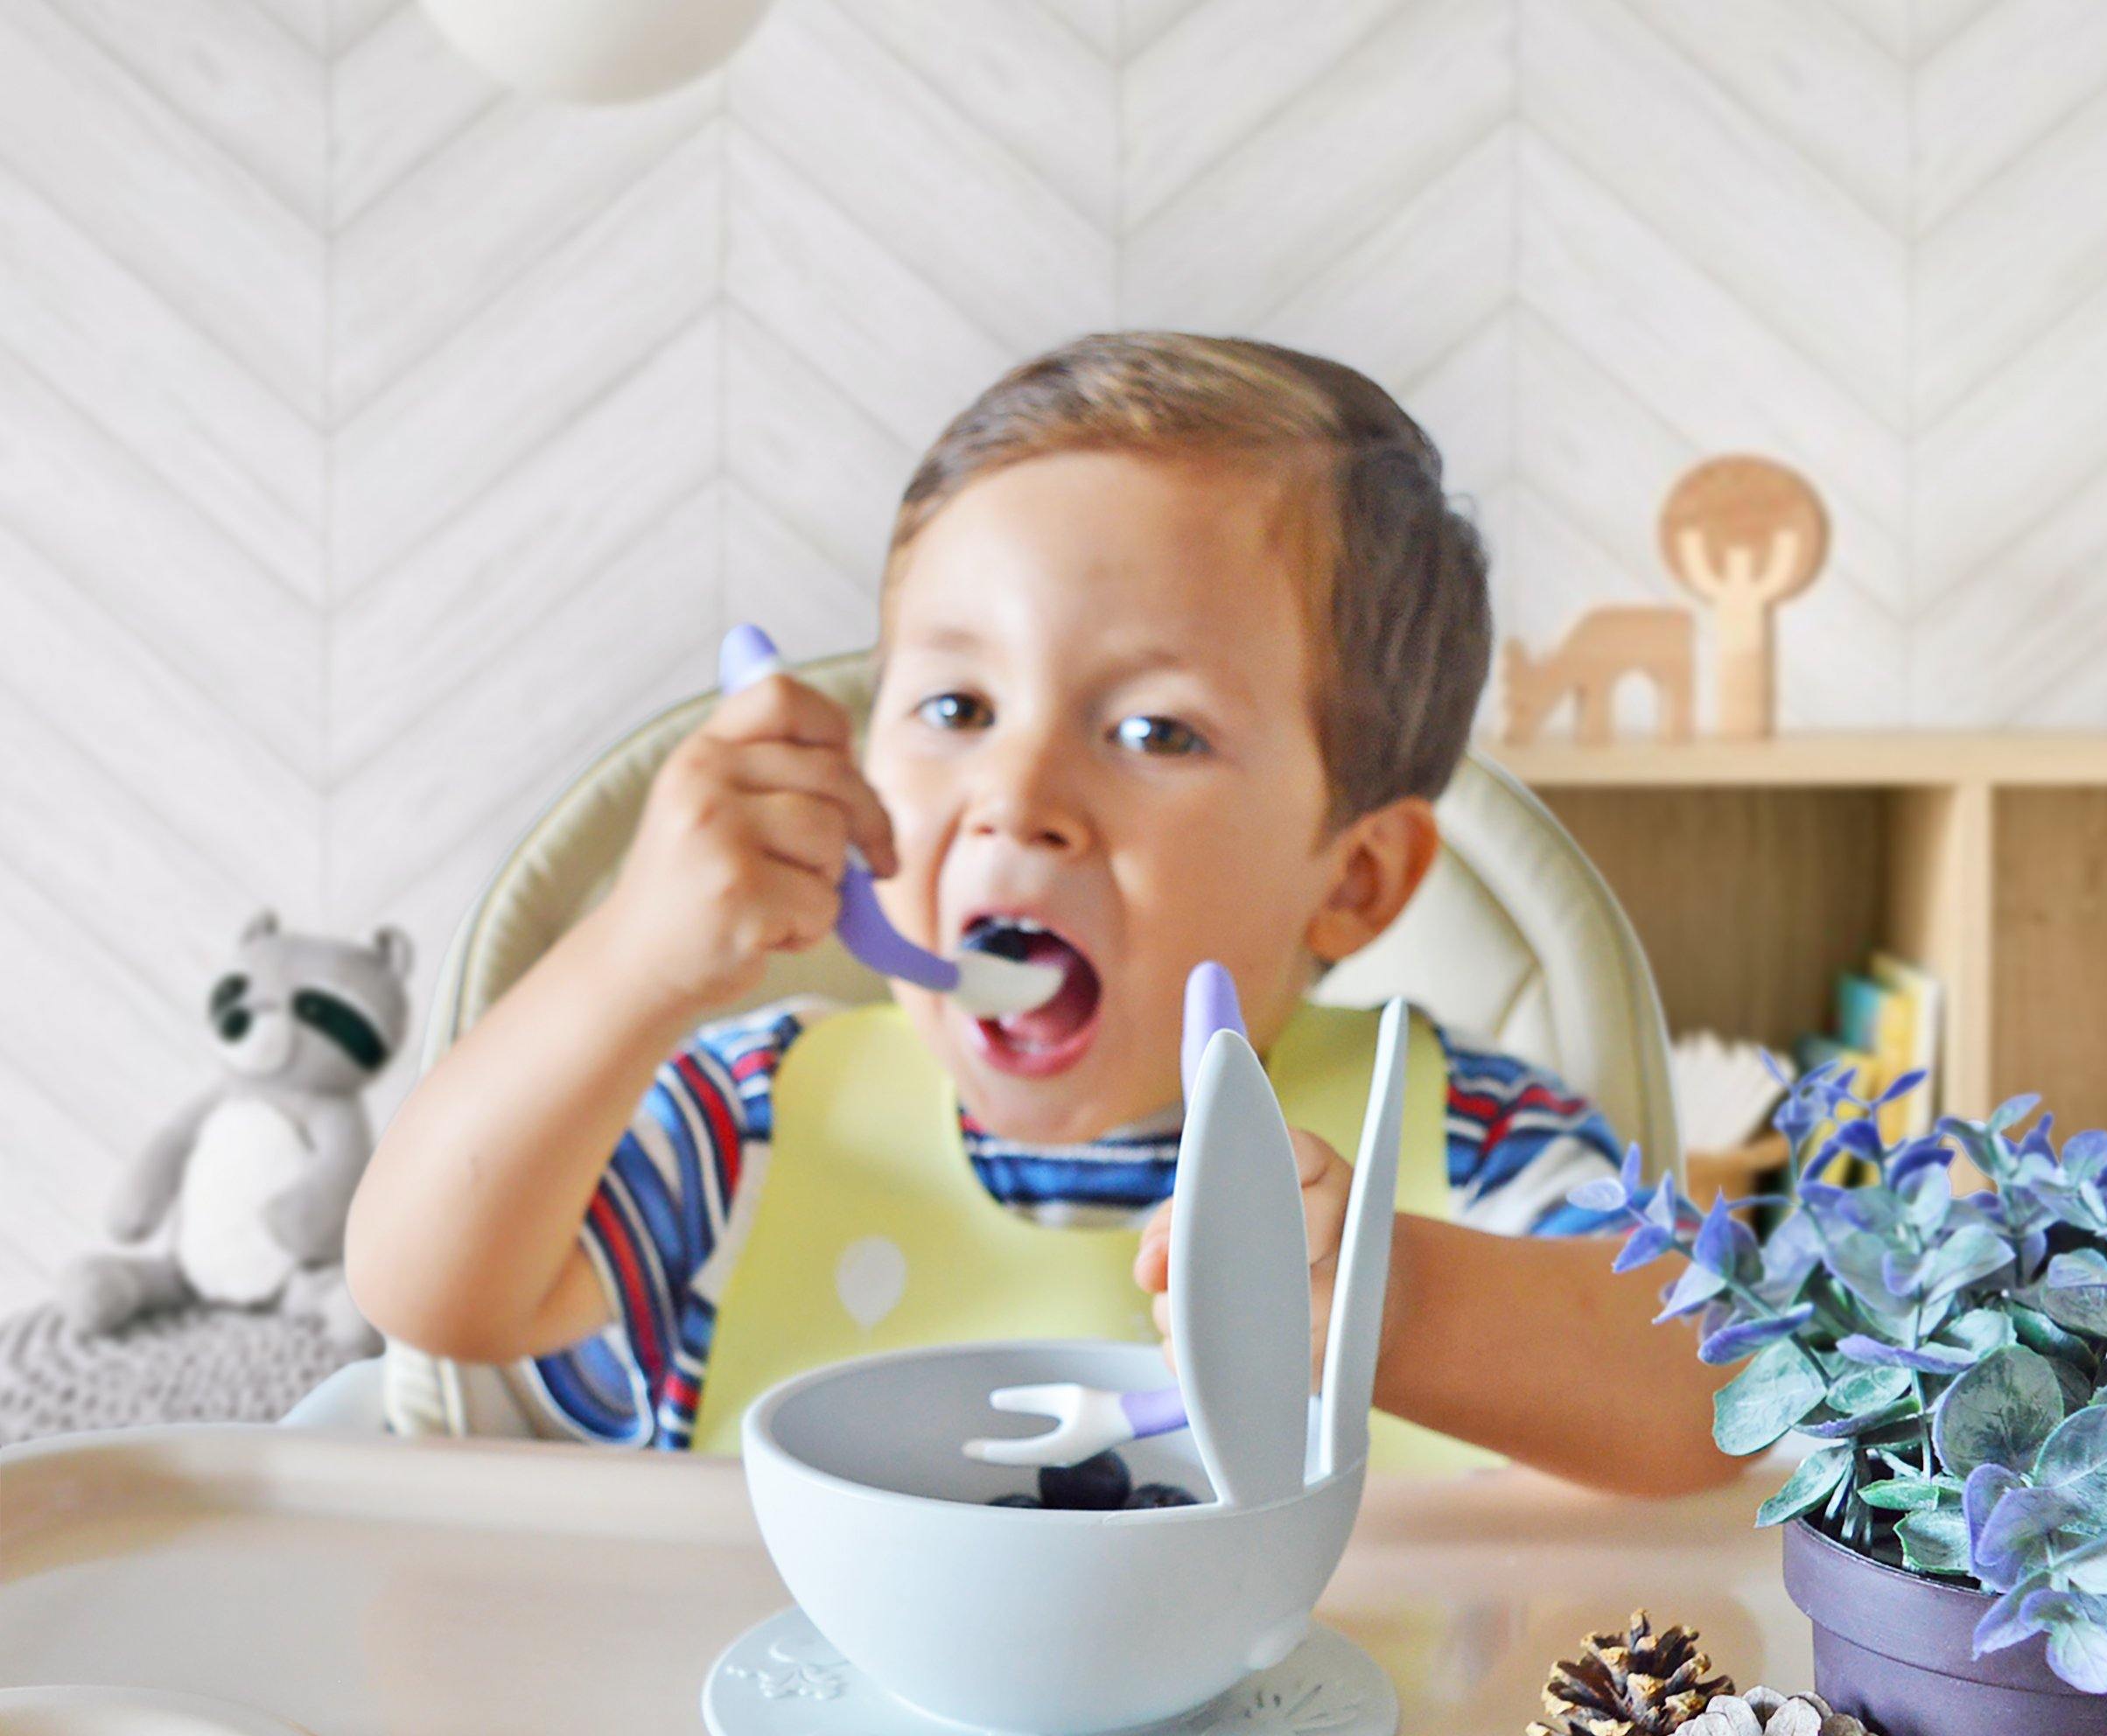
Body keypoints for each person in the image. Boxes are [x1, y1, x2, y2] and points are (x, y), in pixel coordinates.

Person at [347, 332, 1729, 1493]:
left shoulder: (1459, 1138)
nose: (1017, 797)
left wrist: (1390, 1299)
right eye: (955, 708)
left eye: (1152, 730)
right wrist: (632, 966)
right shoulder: (742, 1124)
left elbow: (1709, 1397)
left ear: (1354, 879)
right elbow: (433, 1293)